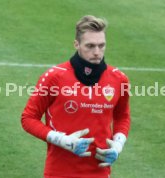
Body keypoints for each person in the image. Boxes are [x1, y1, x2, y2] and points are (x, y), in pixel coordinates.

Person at [21, 15, 131, 178]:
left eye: (101, 46)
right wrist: (61, 140)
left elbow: (122, 117)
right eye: (90, 46)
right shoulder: (54, 77)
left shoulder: (118, 79)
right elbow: (28, 118)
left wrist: (117, 146)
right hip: (59, 172)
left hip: (100, 172)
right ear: (76, 44)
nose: (97, 52)